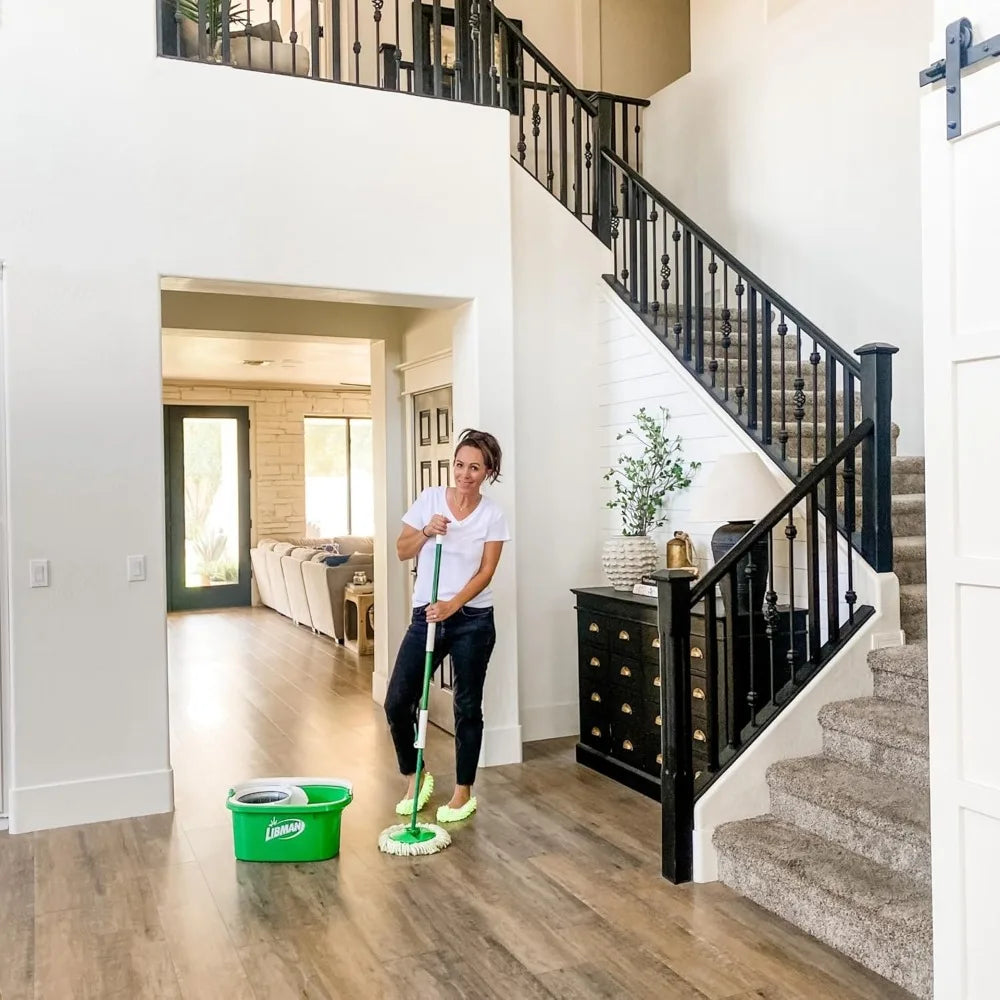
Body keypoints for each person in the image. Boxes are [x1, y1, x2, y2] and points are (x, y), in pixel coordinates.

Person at [383, 428, 509, 824]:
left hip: (471, 619)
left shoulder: (493, 515)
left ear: (488, 471)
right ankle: (415, 776)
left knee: (467, 706)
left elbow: (486, 572)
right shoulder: (430, 500)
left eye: (474, 467)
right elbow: (402, 551)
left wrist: (453, 604)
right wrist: (425, 531)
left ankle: (462, 792)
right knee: (397, 701)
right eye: (459, 465)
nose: (464, 474)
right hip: (427, 616)